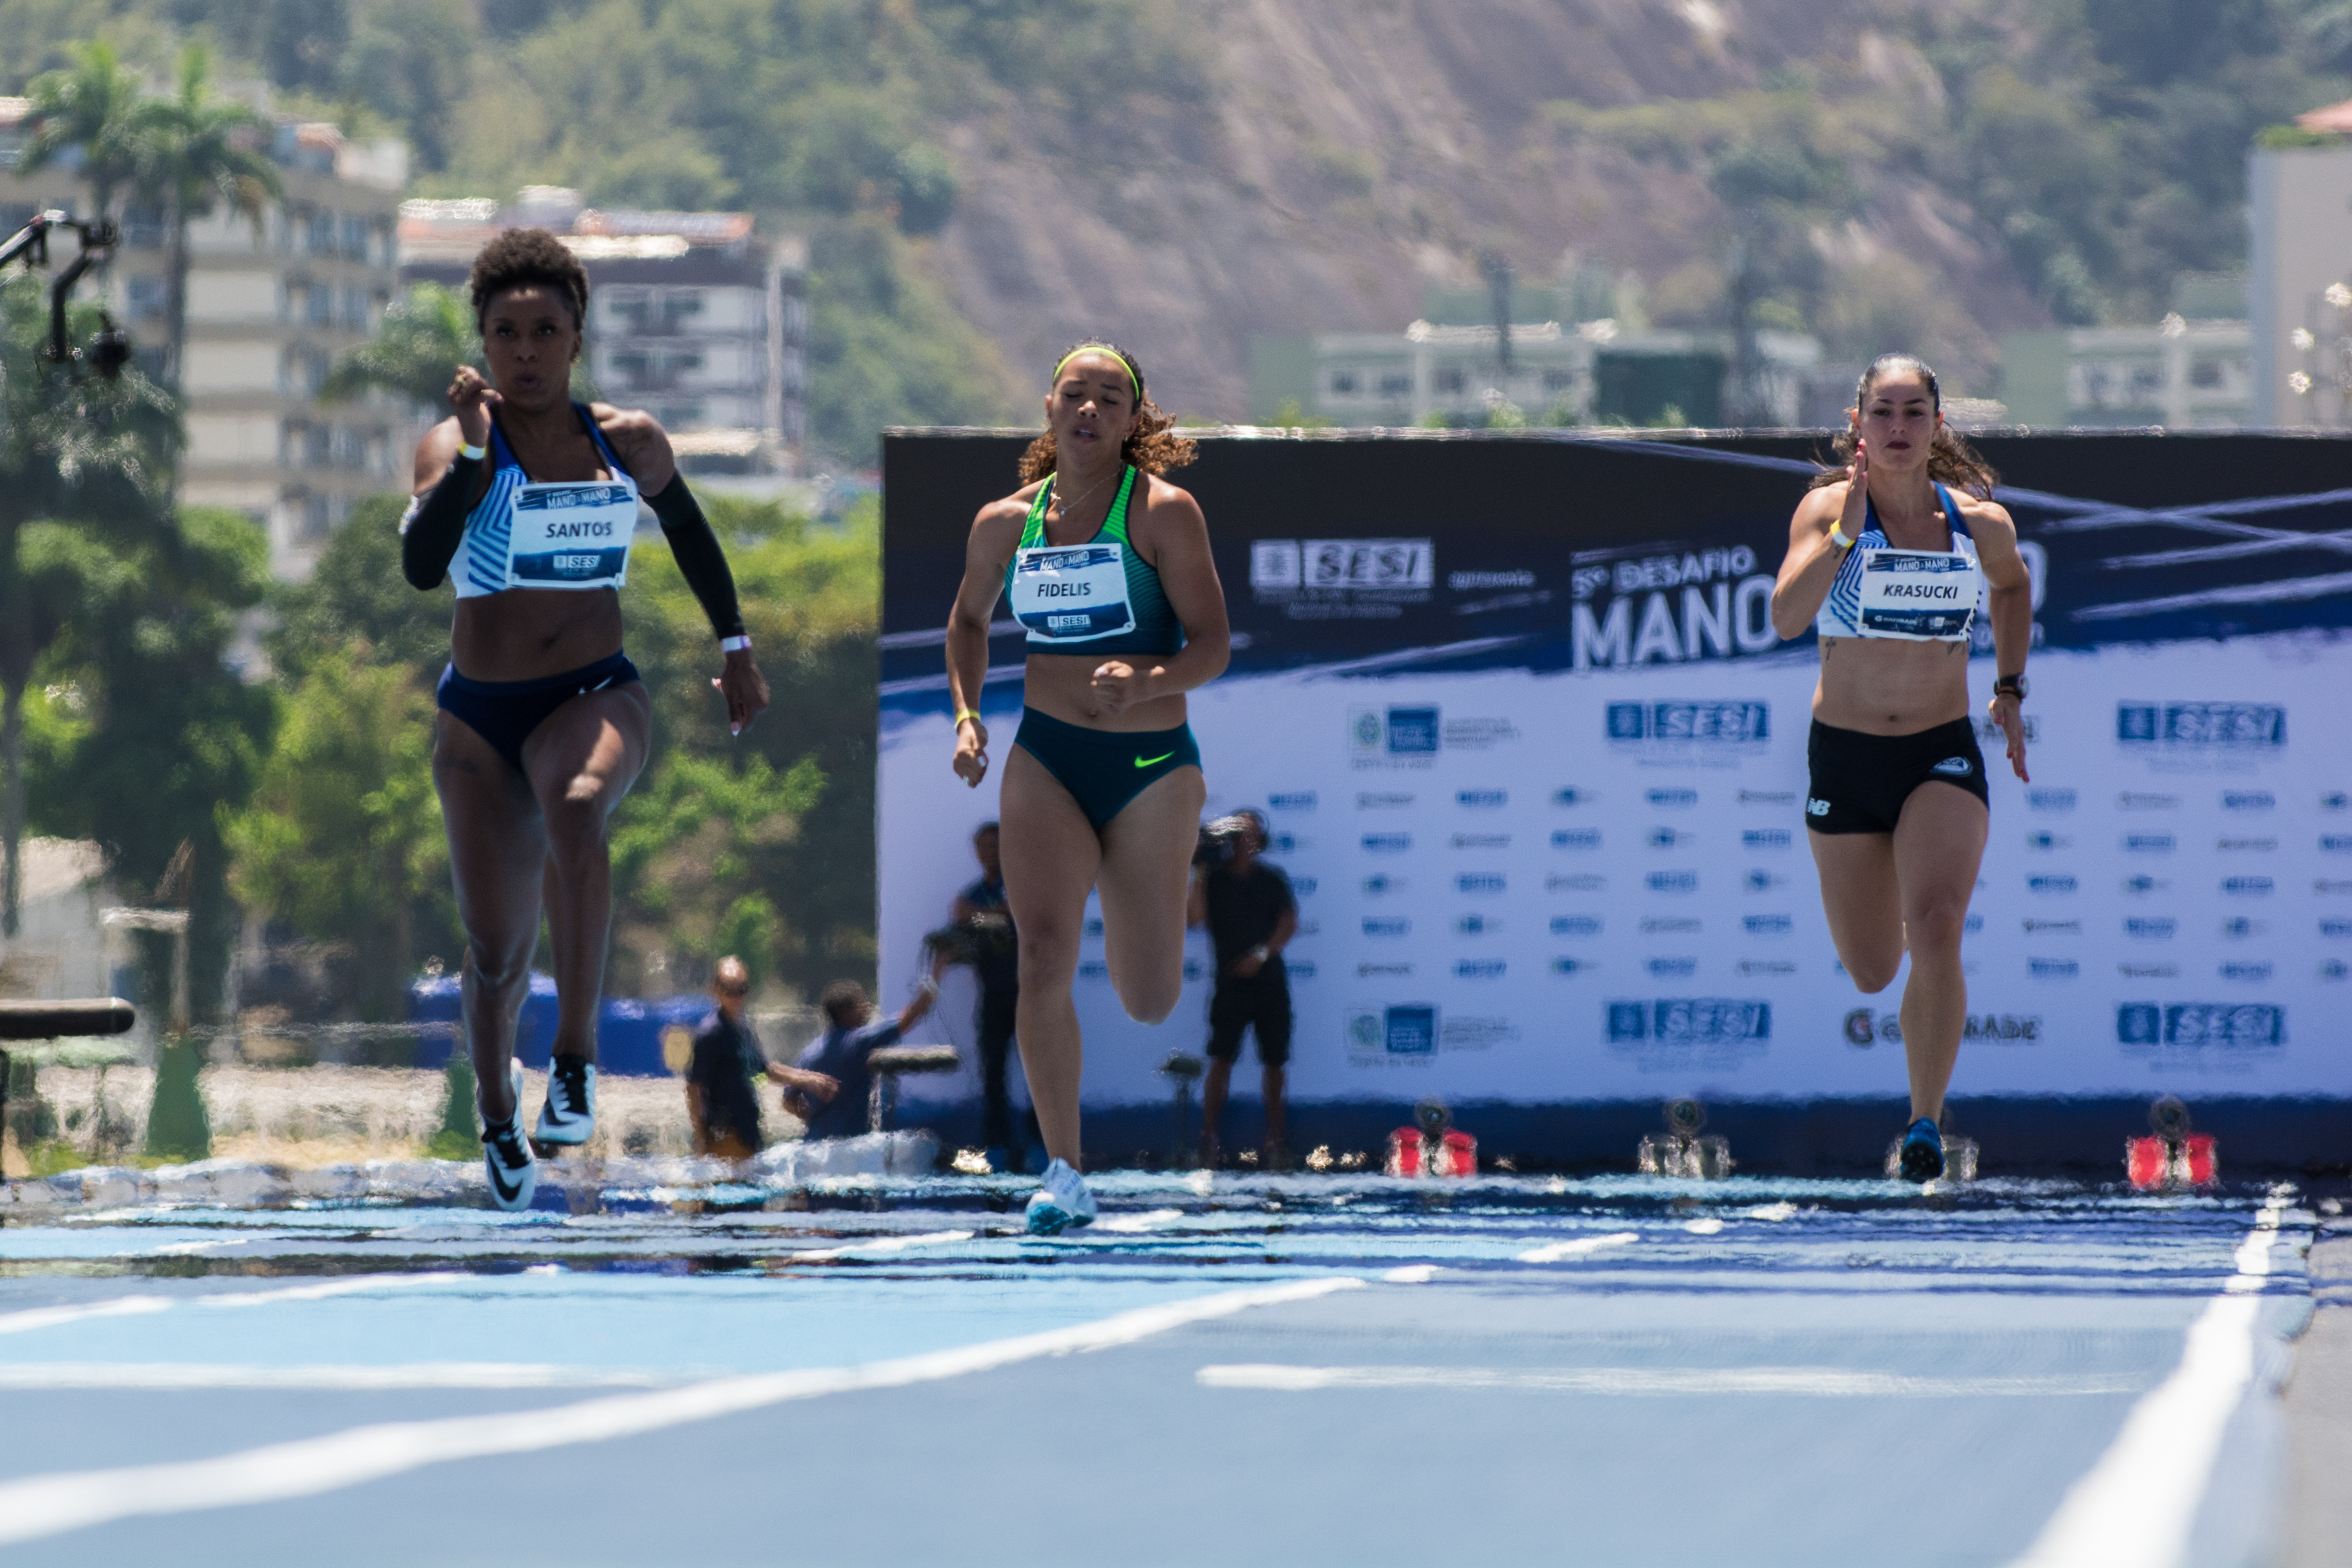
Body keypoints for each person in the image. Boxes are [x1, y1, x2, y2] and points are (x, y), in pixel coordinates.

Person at [401, 227, 769, 1210]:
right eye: (506, 332)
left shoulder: (626, 439)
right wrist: (477, 461)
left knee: (576, 804)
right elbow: (422, 563)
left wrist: (734, 643)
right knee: (492, 952)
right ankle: (494, 1111)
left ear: (577, 339)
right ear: (482, 341)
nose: (525, 350)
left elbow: (690, 531)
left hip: (593, 692)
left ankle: (574, 1059)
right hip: (479, 719)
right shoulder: (454, 445)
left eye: (546, 330)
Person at [943, 341, 1231, 1233]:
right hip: (1047, 760)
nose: (1092, 409)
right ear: (1049, 406)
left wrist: (1146, 683)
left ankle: (1151, 877)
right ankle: (1065, 1168)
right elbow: (966, 621)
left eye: (1112, 398)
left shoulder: (1165, 514)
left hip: (1148, 768)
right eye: (1077, 393)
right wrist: (967, 714)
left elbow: (1213, 644)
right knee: (1040, 955)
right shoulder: (1003, 521)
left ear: (1135, 419)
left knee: (1149, 999)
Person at [1768, 352, 2031, 1182]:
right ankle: (1918, 1098)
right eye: (1882, 413)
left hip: (1938, 748)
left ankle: (1924, 1121)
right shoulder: (1826, 512)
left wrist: (2010, 689)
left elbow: (2013, 590)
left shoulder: (1980, 523)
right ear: (1859, 425)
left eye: (1914, 412)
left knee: (1941, 923)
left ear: (1937, 426)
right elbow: (1784, 618)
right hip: (1845, 757)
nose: (1898, 429)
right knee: (1876, 969)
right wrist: (1846, 533)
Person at [1186, 811, 1297, 1170]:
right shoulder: (1214, 879)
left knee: (1275, 1062)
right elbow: (1194, 917)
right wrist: (1199, 867)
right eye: (1237, 834)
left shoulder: (1271, 879)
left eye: (1251, 834)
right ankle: (1208, 1137)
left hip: (1269, 982)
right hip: (1229, 983)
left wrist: (1261, 955)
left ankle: (1276, 1140)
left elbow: (1288, 922)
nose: (1244, 841)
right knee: (1220, 1058)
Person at [685, 956, 840, 1158]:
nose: (736, 997)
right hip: (724, 1133)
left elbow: (763, 1069)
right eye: (729, 990)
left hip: (747, 1130)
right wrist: (701, 1138)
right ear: (715, 989)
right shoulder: (711, 1034)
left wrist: (808, 1079)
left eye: (741, 990)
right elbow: (694, 1087)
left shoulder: (743, 1028)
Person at [947, 822, 1030, 1172]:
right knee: (992, 1073)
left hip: (1031, 995)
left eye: (995, 846)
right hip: (992, 995)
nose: (989, 853)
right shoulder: (976, 891)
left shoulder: (1027, 883)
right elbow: (960, 914)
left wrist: (989, 915)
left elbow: (1022, 911)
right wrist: (996, 914)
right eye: (983, 848)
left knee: (1039, 1073)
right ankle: (997, 1144)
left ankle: (1042, 1143)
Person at [787, 978, 940, 1142]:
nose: (867, 1007)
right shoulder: (859, 1042)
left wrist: (815, 1118)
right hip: (850, 1145)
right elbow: (906, 1020)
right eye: (861, 1004)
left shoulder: (808, 1053)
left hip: (814, 1143)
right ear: (845, 1012)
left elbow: (789, 1100)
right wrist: (936, 974)